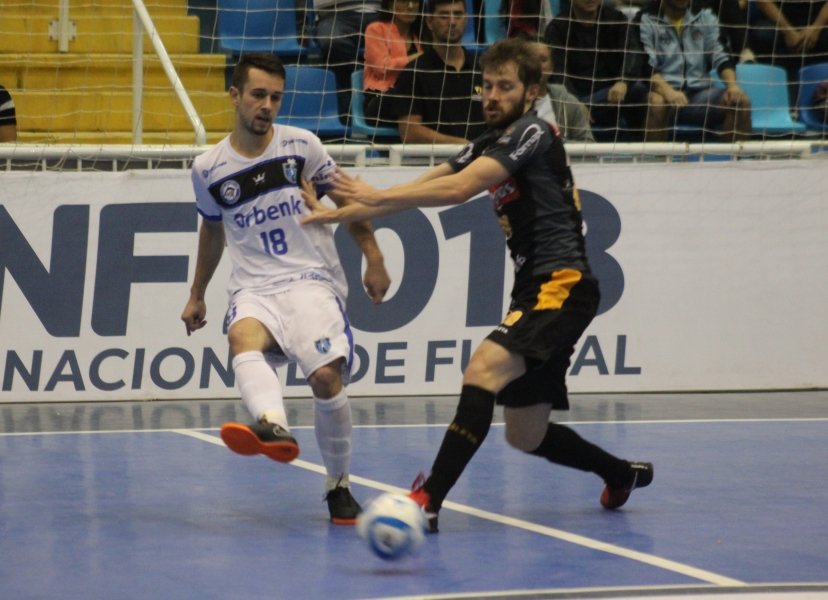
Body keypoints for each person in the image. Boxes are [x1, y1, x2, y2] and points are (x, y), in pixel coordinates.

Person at [302, 37, 653, 533]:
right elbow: (424, 186)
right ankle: (621, 474)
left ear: (531, 92)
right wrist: (344, 209)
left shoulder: (533, 131)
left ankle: (427, 499)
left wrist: (373, 198)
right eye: (486, 85)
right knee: (525, 434)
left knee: (483, 367)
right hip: (537, 289)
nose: (491, 95)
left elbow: (459, 188)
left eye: (504, 87)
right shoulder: (488, 141)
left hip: (562, 282)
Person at [181, 53, 391, 525]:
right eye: (258, 95)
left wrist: (374, 257)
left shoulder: (304, 147)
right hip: (254, 285)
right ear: (234, 96)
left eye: (275, 97)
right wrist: (198, 293)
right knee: (242, 338)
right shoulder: (208, 168)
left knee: (323, 380)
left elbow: (350, 201)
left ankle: (338, 486)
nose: (267, 105)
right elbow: (212, 230)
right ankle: (272, 426)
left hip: (311, 280)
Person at [637, 0, 752, 141]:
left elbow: (721, 54)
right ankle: (655, 161)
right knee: (656, 103)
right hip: (663, 93)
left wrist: (732, 86)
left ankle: (733, 161)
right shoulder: (645, 18)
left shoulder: (704, 15)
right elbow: (646, 65)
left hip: (699, 94)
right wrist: (668, 91)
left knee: (740, 101)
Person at [544, 0, 649, 140]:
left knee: (640, 91)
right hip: (578, 98)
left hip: (614, 95)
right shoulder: (558, 27)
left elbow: (633, 53)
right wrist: (574, 101)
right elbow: (557, 72)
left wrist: (624, 81)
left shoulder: (616, 19)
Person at [386, 0, 487, 143]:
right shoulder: (414, 72)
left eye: (457, 15)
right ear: (429, 22)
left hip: (485, 157)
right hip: (437, 159)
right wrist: (461, 145)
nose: (452, 22)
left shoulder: (484, 67)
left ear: (466, 19)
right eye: (444, 16)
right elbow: (409, 132)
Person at [312, 0, 382, 119]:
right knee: (333, 42)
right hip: (335, 13)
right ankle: (361, 94)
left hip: (381, 11)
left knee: (402, 38)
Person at [363, 0, 424, 127]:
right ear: (390, 5)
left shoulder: (423, 35)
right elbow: (381, 68)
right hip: (381, 99)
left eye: (416, 2)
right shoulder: (376, 29)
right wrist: (415, 58)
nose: (411, 5)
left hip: (414, 100)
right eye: (403, 1)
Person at [749, 0, 828, 86]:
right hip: (780, 21)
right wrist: (787, 31)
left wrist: (817, 27)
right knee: (762, 34)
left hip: (817, 22)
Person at [530, 41, 595, 142]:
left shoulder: (569, 102)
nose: (537, 65)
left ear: (551, 68)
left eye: (543, 60)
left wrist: (554, 144)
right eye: (531, 59)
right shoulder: (511, 102)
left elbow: (589, 146)